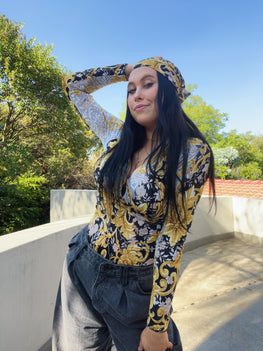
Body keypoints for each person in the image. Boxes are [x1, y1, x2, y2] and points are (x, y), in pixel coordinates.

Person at [52, 57, 215, 351]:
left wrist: (157, 325)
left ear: (171, 92)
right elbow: (73, 87)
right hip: (81, 263)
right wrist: (124, 71)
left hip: (133, 288)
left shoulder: (191, 153)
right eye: (130, 89)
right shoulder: (116, 134)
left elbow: (173, 237)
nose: (136, 94)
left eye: (147, 84)